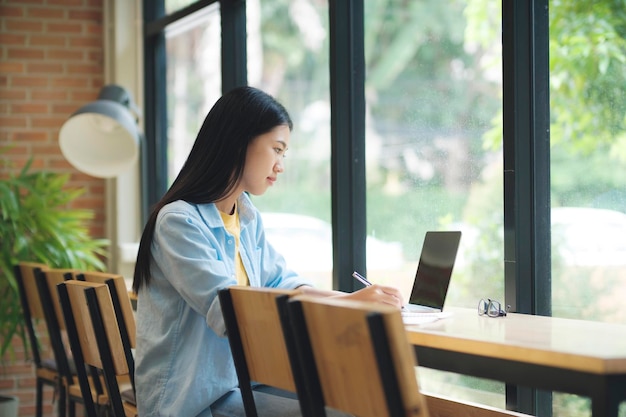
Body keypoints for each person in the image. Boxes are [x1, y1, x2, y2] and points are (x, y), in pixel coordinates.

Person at [132, 86, 404, 417]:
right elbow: (230, 313)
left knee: (360, 399)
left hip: (237, 383)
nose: (280, 166)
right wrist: (351, 304)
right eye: (277, 149)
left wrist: (356, 299)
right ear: (239, 141)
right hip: (189, 401)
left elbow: (284, 283)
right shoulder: (179, 221)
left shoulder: (246, 217)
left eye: (284, 154)